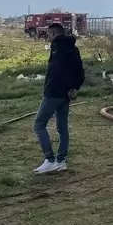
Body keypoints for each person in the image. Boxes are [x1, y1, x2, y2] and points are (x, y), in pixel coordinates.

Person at [33, 22, 84, 174]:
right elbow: (80, 70)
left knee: (39, 124)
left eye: (48, 34)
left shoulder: (57, 47)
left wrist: (51, 88)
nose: (48, 37)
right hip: (66, 94)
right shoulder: (73, 48)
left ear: (54, 33)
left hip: (54, 92)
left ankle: (49, 160)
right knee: (62, 127)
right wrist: (74, 87)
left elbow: (57, 72)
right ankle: (61, 161)